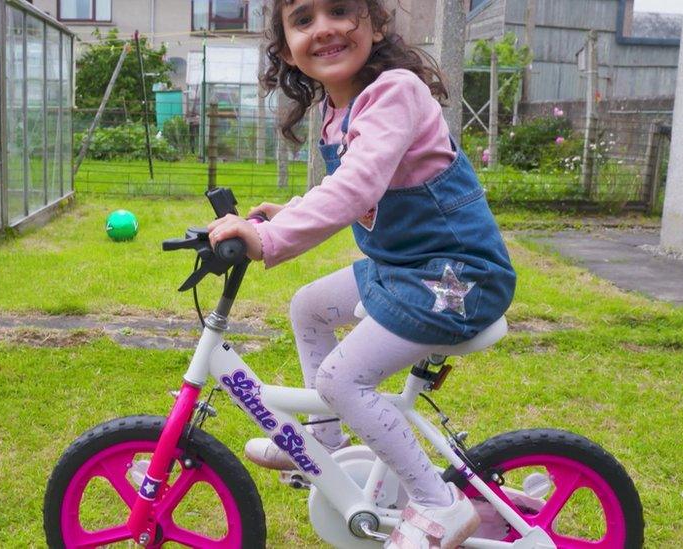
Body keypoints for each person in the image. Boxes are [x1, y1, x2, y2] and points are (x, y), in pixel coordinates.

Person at [207, 1, 515, 547]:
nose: (323, 28)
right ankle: (318, 444)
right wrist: (290, 211)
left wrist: (271, 239)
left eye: (340, 10)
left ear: (374, 26)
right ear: (284, 48)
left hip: (456, 280)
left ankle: (438, 504)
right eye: (303, 19)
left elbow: (358, 188)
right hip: (404, 270)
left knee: (341, 378)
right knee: (307, 304)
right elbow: (356, 178)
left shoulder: (394, 91)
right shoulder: (336, 109)